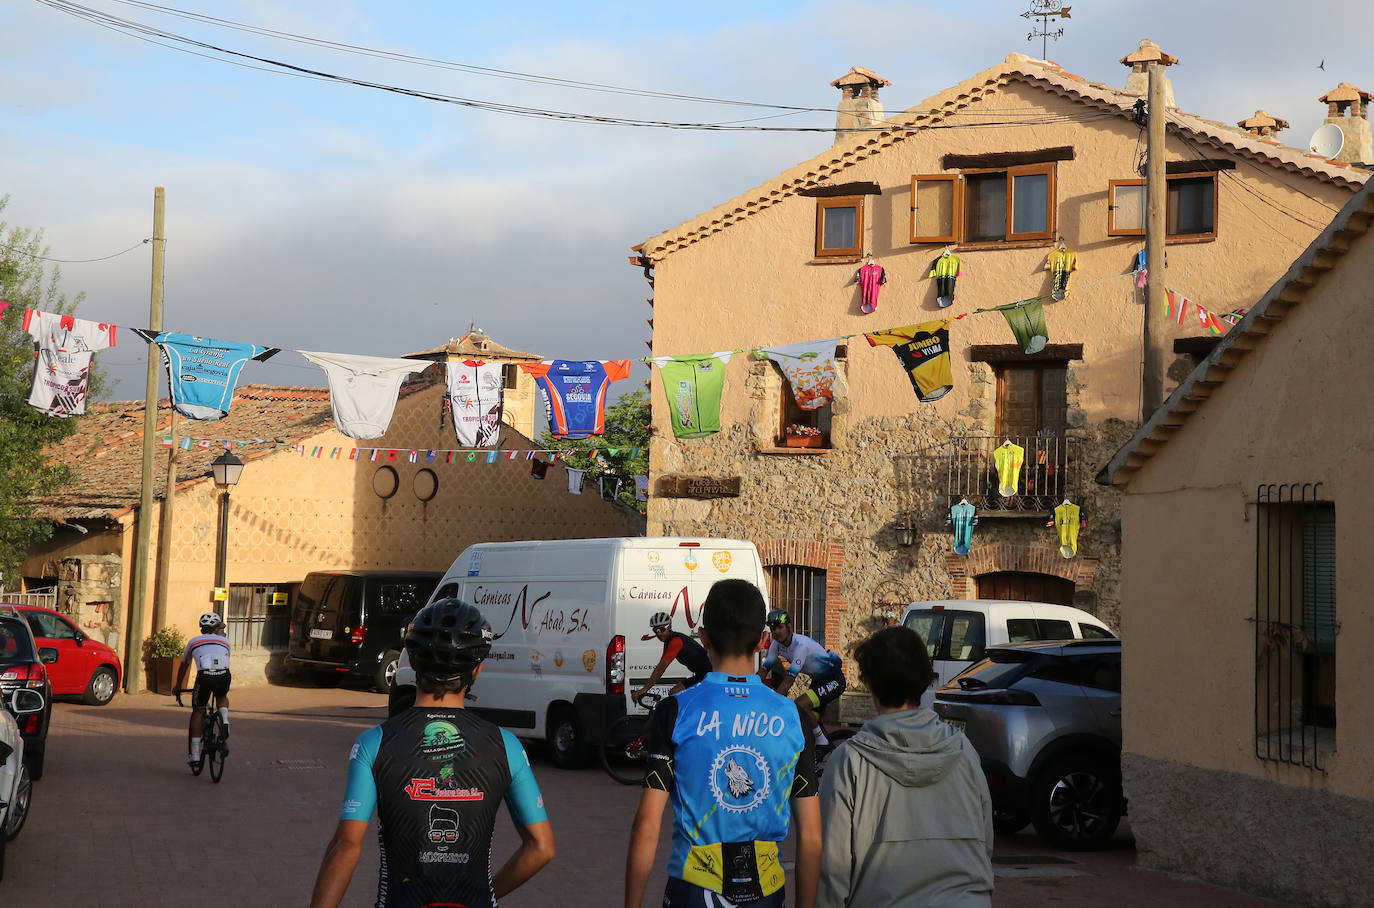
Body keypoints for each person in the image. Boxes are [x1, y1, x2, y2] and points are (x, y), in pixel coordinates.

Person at [309, 598, 555, 908]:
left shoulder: (374, 743)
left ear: (411, 661)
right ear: (477, 669)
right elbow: (542, 848)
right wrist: (489, 893)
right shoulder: (507, 746)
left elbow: (346, 845)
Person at [624, 578, 821, 908]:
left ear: (703, 639)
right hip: (767, 891)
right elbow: (812, 837)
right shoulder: (793, 718)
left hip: (692, 889)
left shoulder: (675, 711)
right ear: (763, 641)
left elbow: (647, 824)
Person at [818, 626, 993, 908]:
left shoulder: (848, 763)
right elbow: (984, 847)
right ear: (925, 680)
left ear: (870, 684)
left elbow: (831, 871)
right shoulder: (964, 753)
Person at [760, 609, 846, 747]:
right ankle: (816, 749)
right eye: (773, 628)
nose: (776, 632)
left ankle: (822, 742)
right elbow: (764, 670)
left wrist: (773, 702)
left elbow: (789, 680)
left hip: (834, 680)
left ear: (789, 627)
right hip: (818, 682)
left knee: (800, 705)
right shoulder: (776, 645)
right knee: (806, 720)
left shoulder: (800, 645)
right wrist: (750, 689)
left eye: (780, 627)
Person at [173, 612, 232, 765]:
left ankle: (195, 755)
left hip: (205, 676)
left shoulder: (194, 642)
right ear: (217, 629)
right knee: (221, 697)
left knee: (198, 710)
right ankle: (224, 719)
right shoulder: (226, 642)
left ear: (201, 629)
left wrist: (178, 685)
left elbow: (184, 664)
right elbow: (226, 659)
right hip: (224, 675)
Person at [630, 611, 711, 705]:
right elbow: (661, 664)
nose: (659, 633)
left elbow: (660, 669)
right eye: (656, 630)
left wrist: (644, 689)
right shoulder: (668, 641)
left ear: (669, 627)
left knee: (676, 694)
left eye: (662, 629)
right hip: (701, 675)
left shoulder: (676, 641)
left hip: (709, 675)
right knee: (674, 693)